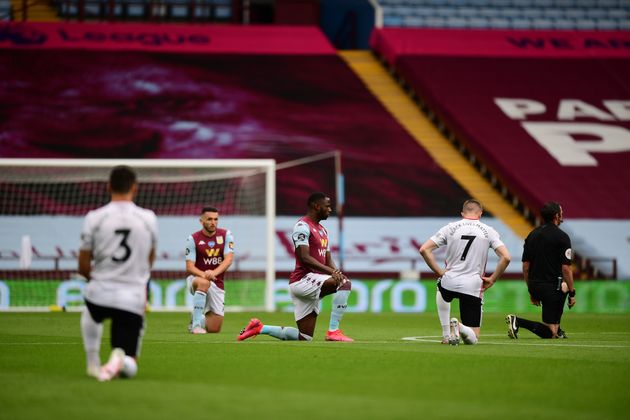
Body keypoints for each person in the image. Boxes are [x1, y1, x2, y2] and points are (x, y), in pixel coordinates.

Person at [238, 192, 353, 342]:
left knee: (304, 337)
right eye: (327, 206)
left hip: (313, 281)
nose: (330, 209)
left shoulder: (323, 230)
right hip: (303, 280)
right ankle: (333, 331)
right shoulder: (302, 226)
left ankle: (259, 328)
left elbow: (327, 258)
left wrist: (337, 272)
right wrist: (333, 274)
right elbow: (304, 258)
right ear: (316, 206)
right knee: (345, 284)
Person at [79, 165, 157, 381]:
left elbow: (83, 265)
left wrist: (98, 277)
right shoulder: (148, 218)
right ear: (135, 188)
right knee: (130, 362)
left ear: (109, 186)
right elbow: (150, 258)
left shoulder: (94, 217)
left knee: (90, 312)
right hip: (132, 297)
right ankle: (120, 356)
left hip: (100, 292)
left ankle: (92, 361)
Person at [419, 199, 511, 345]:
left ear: (462, 213)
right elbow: (506, 257)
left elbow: (424, 249)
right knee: (472, 340)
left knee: (440, 286)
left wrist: (439, 271)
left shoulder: (450, 228)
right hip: (473, 285)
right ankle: (459, 326)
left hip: (449, 280)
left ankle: (446, 334)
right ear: (480, 213)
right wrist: (492, 279)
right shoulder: (489, 231)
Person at [506, 201, 576, 339]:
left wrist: (531, 289)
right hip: (551, 287)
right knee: (551, 333)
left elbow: (526, 267)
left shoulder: (532, 235)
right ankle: (518, 321)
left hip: (535, 285)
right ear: (556, 216)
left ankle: (558, 327)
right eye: (561, 212)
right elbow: (566, 269)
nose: (562, 214)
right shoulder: (562, 237)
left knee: (562, 287)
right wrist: (573, 293)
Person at [186, 206, 234, 334]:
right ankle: (196, 326)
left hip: (217, 282)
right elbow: (190, 267)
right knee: (203, 283)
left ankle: (197, 318)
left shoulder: (226, 235)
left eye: (216, 219)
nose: (213, 222)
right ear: (201, 221)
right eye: (209, 219)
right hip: (196, 278)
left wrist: (214, 273)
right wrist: (204, 274)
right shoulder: (193, 239)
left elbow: (228, 260)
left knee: (214, 329)